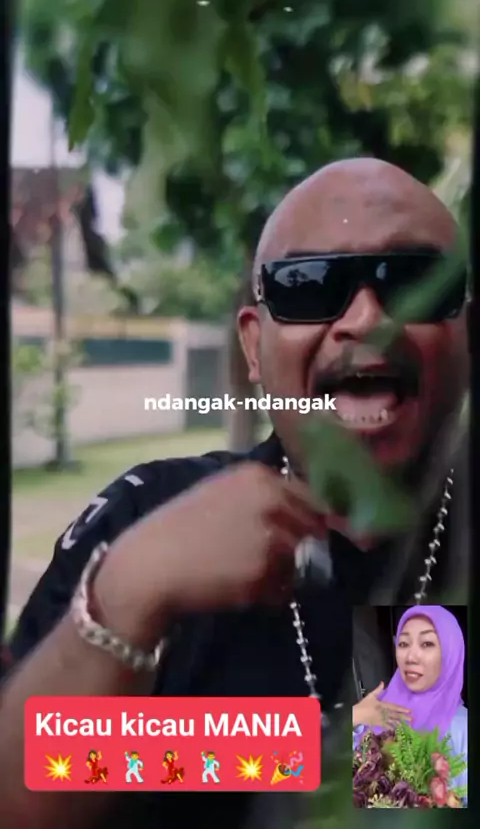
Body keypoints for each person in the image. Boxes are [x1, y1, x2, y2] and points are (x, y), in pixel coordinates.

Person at [0, 158, 469, 829]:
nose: (367, 318)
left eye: (413, 280)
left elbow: (403, 783)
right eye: (309, 286)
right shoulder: (146, 513)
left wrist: (279, 752)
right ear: (253, 346)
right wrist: (128, 593)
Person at [352, 605, 467, 800]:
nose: (410, 657)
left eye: (427, 644)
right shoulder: (375, 710)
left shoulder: (462, 727)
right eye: (404, 644)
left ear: (450, 651)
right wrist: (354, 716)